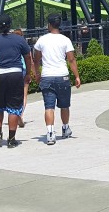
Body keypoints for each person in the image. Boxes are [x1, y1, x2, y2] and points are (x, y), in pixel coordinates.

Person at [0, 14, 33, 148]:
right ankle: (11, 139)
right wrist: (28, 73)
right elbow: (28, 57)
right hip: (15, 75)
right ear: (10, 25)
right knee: (14, 108)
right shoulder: (19, 40)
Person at [33, 14, 81, 145]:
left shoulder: (41, 40)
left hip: (47, 76)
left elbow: (36, 59)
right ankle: (65, 128)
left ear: (49, 24)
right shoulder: (65, 40)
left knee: (49, 107)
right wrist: (77, 76)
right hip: (62, 76)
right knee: (64, 105)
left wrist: (37, 73)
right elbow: (71, 59)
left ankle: (50, 133)